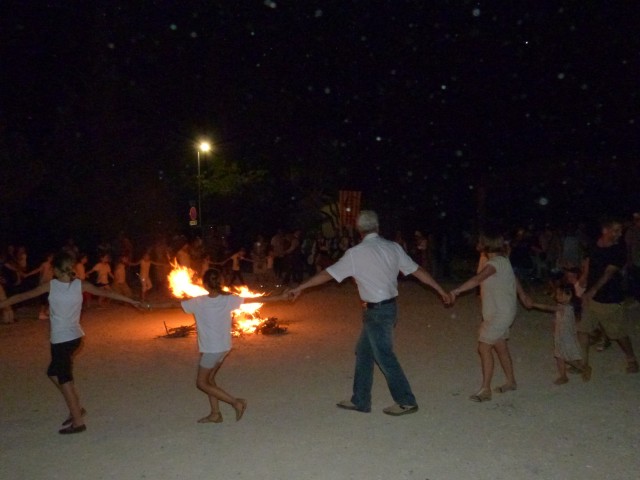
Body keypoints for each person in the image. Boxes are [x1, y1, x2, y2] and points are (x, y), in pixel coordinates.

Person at [289, 210, 450, 416]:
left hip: (376, 312)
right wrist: (440, 290)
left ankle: (406, 400)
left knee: (384, 355)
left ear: (359, 230)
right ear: (377, 227)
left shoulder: (356, 254)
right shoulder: (393, 248)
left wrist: (301, 287)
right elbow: (418, 270)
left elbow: (327, 274)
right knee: (364, 353)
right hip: (388, 308)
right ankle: (360, 400)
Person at [0, 251, 141, 434]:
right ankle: (76, 406)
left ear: (57, 270)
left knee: (64, 379)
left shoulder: (51, 286)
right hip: (75, 338)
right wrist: (130, 300)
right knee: (53, 373)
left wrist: (131, 300)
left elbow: (22, 296)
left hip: (62, 340)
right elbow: (110, 293)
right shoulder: (80, 285)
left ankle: (78, 421)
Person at [151, 268, 288, 423]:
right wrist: (281, 296)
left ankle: (236, 402)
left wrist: (149, 305)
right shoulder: (228, 299)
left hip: (211, 350)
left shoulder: (198, 302)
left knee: (201, 383)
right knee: (210, 380)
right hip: (224, 347)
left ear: (205, 284)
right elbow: (255, 300)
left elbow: (171, 304)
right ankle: (215, 414)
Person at [449, 230, 531, 402]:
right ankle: (511, 382)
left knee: (484, 346)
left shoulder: (495, 262)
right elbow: (512, 277)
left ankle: (485, 389)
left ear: (487, 244)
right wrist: (522, 295)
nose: (477, 243)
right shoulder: (499, 260)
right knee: (500, 346)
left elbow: (478, 279)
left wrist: (456, 290)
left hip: (501, 313)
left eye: (480, 241)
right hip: (496, 310)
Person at [578, 218, 639, 373]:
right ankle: (583, 363)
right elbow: (588, 260)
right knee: (583, 330)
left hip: (610, 297)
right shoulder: (594, 243)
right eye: (616, 230)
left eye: (620, 230)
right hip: (591, 296)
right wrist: (584, 277)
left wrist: (593, 290)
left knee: (618, 333)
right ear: (605, 230)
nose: (619, 234)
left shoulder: (619, 248)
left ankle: (632, 359)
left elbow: (609, 273)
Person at [530, 283, 591, 385]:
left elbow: (547, 307)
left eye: (559, 294)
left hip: (566, 338)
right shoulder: (565, 305)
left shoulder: (566, 307)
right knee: (559, 356)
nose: (557, 296)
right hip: (561, 336)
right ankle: (563, 376)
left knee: (566, 357)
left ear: (569, 295)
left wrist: (534, 304)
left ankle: (584, 368)